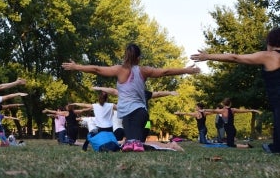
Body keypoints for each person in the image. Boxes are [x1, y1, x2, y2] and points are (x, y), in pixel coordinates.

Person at [62, 46, 198, 152]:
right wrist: (185, 70)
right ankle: (166, 144)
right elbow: (164, 72)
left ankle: (171, 146)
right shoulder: (144, 70)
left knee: (135, 144)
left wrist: (77, 67)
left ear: (126, 56)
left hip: (135, 114)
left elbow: (96, 69)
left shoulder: (119, 70)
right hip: (135, 114)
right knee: (132, 145)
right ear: (138, 58)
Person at [190, 27, 280, 153]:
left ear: (270, 42)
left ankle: (276, 148)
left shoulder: (270, 56)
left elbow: (235, 58)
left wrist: (208, 56)